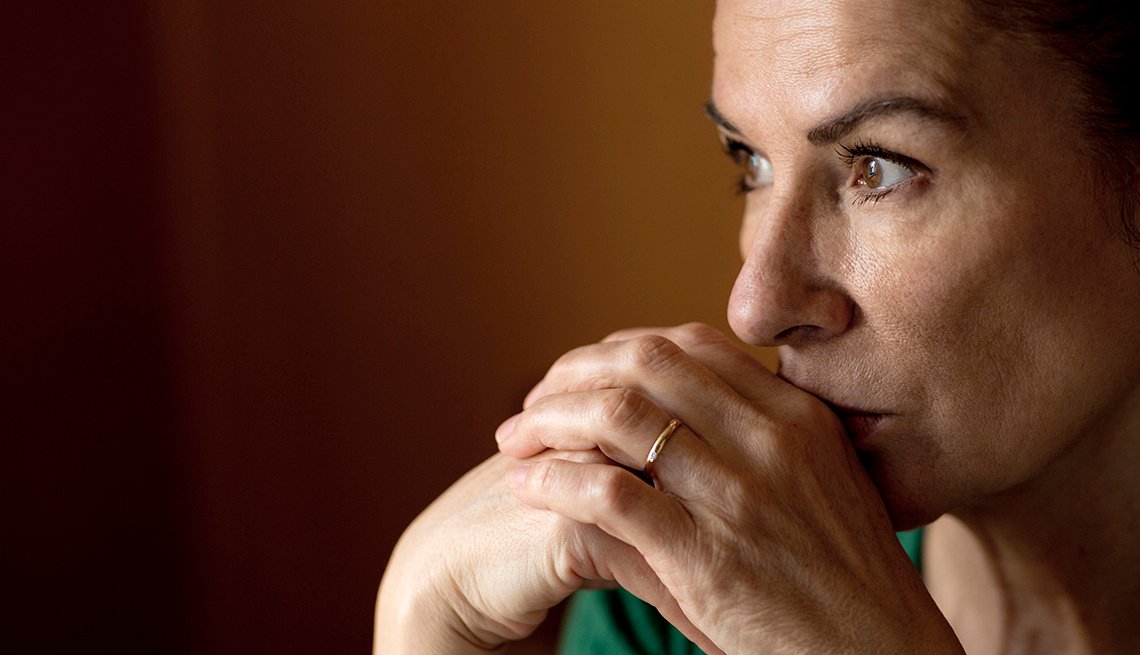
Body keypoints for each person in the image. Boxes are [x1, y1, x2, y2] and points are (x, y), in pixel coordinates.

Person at [375, 0, 1140, 652]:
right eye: (752, 162)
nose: (756, 304)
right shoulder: (663, 599)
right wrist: (420, 610)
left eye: (879, 166)